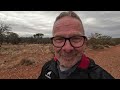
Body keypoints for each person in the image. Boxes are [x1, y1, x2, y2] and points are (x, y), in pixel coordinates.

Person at [38, 11, 114, 79]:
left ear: (85, 43)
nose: (67, 48)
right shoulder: (48, 67)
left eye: (75, 38)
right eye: (59, 39)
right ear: (52, 44)